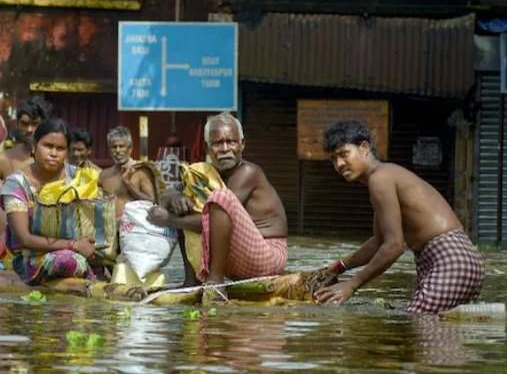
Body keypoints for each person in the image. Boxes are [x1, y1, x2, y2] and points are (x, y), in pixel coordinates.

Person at [314, 120, 484, 314]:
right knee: (430, 336)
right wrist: (337, 267)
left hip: (450, 261)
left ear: (364, 148)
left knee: (418, 324)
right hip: (455, 259)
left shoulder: (380, 179)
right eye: (333, 159)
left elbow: (394, 246)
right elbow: (379, 242)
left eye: (344, 154)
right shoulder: (383, 177)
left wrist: (352, 285)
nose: (339, 164)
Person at [147, 112, 288, 300]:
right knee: (185, 203)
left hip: (266, 256)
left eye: (231, 142)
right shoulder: (204, 173)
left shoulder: (248, 172)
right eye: (217, 143)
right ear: (208, 148)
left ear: (242, 145)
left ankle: (216, 281)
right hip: (237, 258)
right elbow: (167, 195)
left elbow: (213, 218)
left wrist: (169, 220)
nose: (225, 149)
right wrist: (175, 197)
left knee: (220, 198)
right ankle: (192, 281)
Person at [0, 118, 98, 284]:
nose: (53, 153)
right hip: (26, 257)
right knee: (68, 261)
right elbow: (24, 239)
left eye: (60, 148)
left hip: (77, 248)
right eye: (48, 146)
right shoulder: (17, 185)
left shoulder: (77, 177)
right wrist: (73, 245)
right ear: (34, 147)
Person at [0, 96, 52, 180]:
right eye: (24, 124)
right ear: (17, 124)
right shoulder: (3, 158)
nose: (29, 129)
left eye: (35, 124)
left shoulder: (55, 157)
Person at [99, 126, 157, 218]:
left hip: (132, 228)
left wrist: (128, 183)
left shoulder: (140, 172)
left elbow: (152, 201)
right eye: (114, 147)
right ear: (110, 150)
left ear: (130, 149)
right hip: (108, 228)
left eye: (121, 146)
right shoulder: (103, 175)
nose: (117, 151)